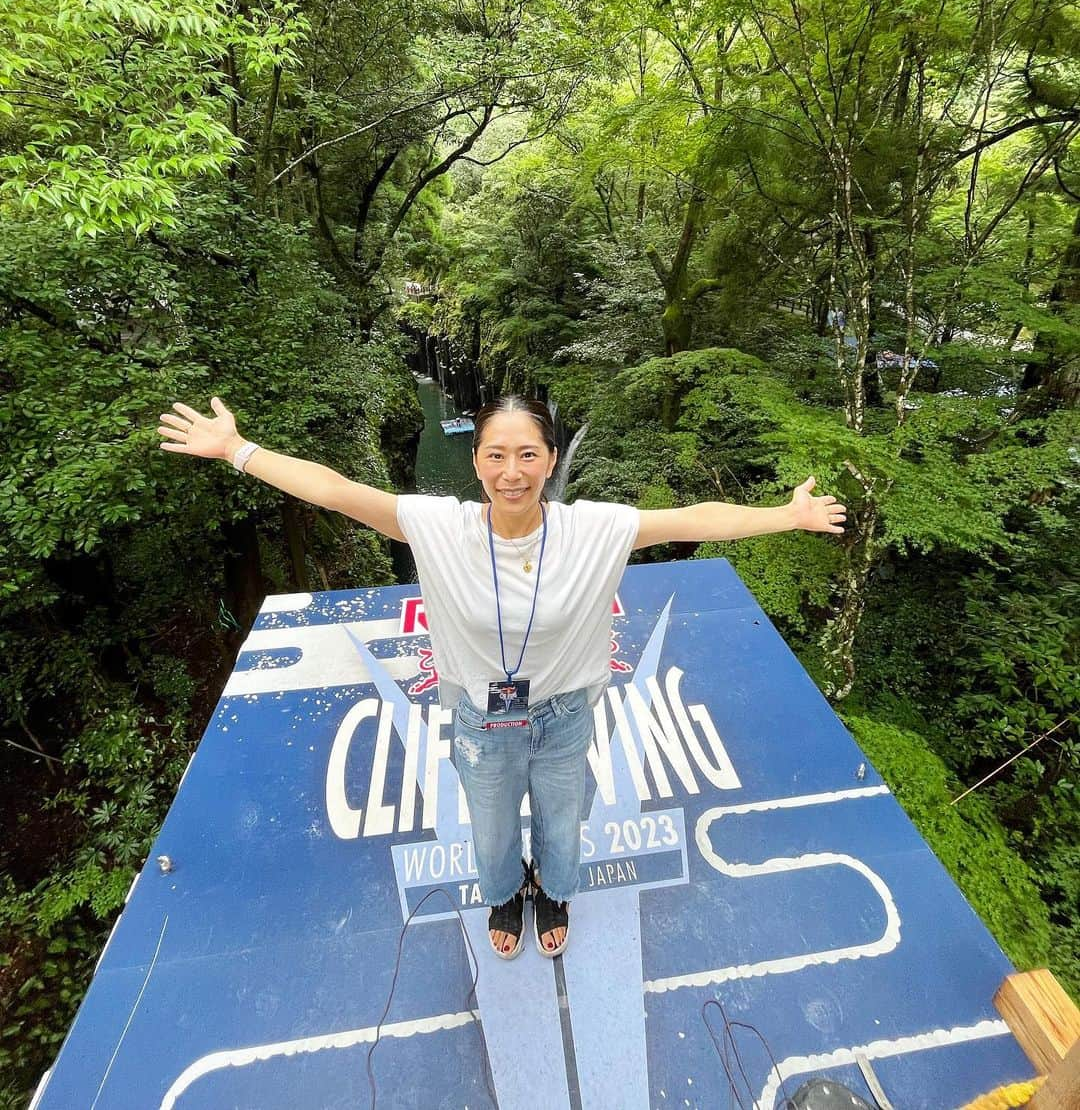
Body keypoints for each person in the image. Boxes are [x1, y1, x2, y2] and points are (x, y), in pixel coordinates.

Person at [157, 393, 846, 959]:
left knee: (565, 823)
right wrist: (237, 450)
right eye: (496, 454)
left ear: (550, 461)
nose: (511, 470)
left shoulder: (594, 530)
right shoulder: (438, 527)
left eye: (527, 453)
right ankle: (502, 893)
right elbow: (337, 492)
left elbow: (694, 518)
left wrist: (787, 515)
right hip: (482, 719)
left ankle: (552, 890)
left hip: (566, 712)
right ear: (476, 462)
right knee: (490, 833)